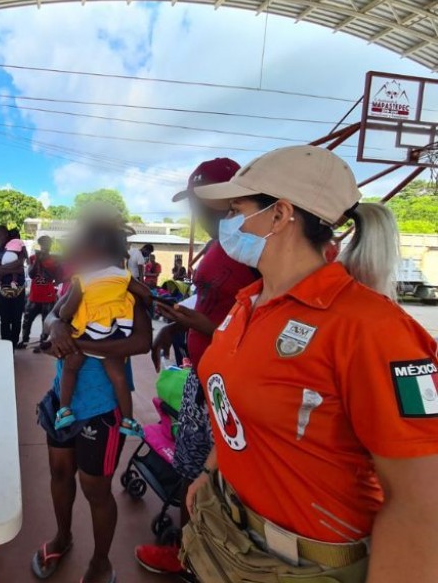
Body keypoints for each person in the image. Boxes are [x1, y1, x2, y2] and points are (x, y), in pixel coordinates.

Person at [179, 146, 438, 582]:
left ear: (280, 216)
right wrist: (209, 472)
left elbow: (422, 501)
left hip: (308, 566)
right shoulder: (247, 304)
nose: (226, 222)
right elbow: (234, 407)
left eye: (236, 209)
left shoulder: (373, 329)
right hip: (232, 539)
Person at [134, 157, 259, 575]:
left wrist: (200, 325)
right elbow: (210, 300)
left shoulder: (254, 247)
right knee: (193, 466)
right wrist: (177, 327)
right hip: (205, 371)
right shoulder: (219, 244)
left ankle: (193, 556)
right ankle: (191, 547)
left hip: (231, 383)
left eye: (203, 203)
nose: (198, 213)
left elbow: (259, 322)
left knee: (214, 474)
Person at [31, 218, 153, 583]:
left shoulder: (125, 290)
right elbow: (57, 314)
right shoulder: (78, 283)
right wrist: (54, 327)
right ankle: (63, 536)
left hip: (102, 408)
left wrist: (77, 344)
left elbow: (141, 343)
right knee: (60, 472)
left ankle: (101, 561)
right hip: (62, 399)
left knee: (96, 488)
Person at [54, 219, 152, 437]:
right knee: (119, 377)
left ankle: (64, 409)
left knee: (71, 368)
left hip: (100, 405)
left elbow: (63, 311)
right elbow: (146, 293)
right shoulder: (123, 278)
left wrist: (63, 325)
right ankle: (128, 420)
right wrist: (149, 305)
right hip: (111, 337)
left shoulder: (82, 279)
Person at [18, 235, 61, 352]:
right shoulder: (33, 258)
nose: (44, 248)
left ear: (50, 246)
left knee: (46, 322)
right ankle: (25, 340)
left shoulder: (54, 260)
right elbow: (31, 274)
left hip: (48, 296)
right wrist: (37, 261)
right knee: (27, 319)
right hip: (34, 296)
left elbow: (54, 277)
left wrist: (42, 264)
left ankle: (43, 343)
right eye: (42, 245)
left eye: (46, 246)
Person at [0, 225, 28, 348]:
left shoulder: (18, 247)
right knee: (4, 321)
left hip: (18, 290)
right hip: (2, 292)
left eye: (0, 235)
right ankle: (6, 347)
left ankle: (13, 346)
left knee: (17, 320)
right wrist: (14, 267)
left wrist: (1, 269)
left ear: (7, 234)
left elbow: (21, 264)